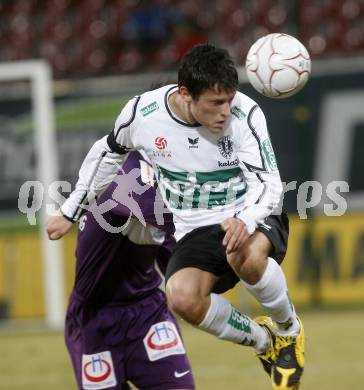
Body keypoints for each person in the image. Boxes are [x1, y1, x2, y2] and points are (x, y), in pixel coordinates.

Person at [47, 44, 305, 390]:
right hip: (197, 228)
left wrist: (245, 218)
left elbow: (270, 185)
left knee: (242, 253)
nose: (225, 110)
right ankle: (264, 340)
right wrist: (70, 210)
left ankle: (289, 331)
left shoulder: (246, 114)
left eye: (229, 99)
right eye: (216, 103)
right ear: (185, 94)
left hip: (252, 211)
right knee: (181, 295)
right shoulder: (143, 113)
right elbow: (108, 151)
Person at [65, 151, 195, 390]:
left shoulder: (168, 189)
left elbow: (176, 266)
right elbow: (141, 202)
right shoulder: (126, 174)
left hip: (148, 312)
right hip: (95, 320)